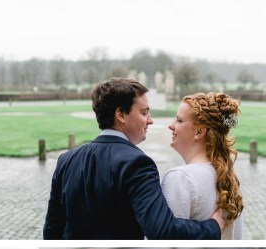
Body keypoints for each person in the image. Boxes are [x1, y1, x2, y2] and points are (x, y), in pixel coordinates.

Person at [43, 77, 224, 240]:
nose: (150, 120)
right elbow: (163, 231)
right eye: (144, 113)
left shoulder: (66, 160)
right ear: (121, 115)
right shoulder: (137, 164)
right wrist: (214, 226)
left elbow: (51, 232)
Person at [162, 93, 244, 240]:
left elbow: (165, 239)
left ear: (199, 132)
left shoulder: (180, 179)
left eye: (179, 120)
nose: (171, 125)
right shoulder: (229, 178)